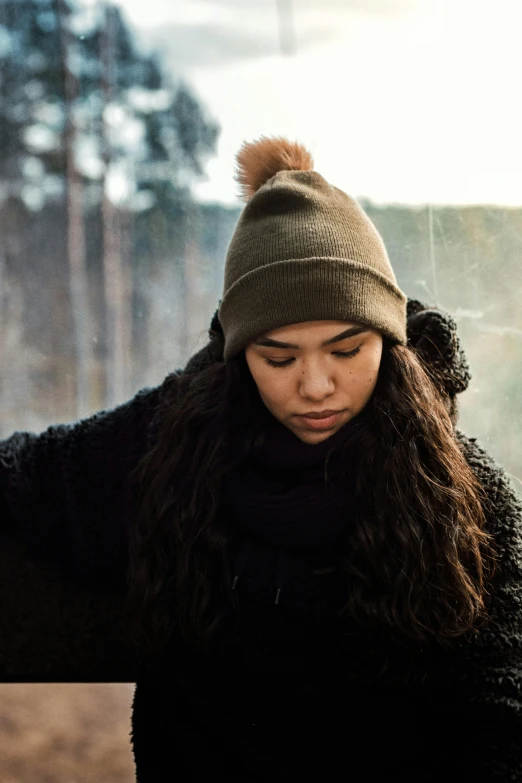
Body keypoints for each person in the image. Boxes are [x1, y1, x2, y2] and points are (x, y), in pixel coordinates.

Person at [1, 136, 521, 782]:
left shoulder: (461, 489)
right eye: (278, 357)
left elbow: (502, 717)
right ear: (238, 356)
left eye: (346, 348)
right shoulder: (177, 440)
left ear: (391, 344)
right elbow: (29, 476)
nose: (315, 384)